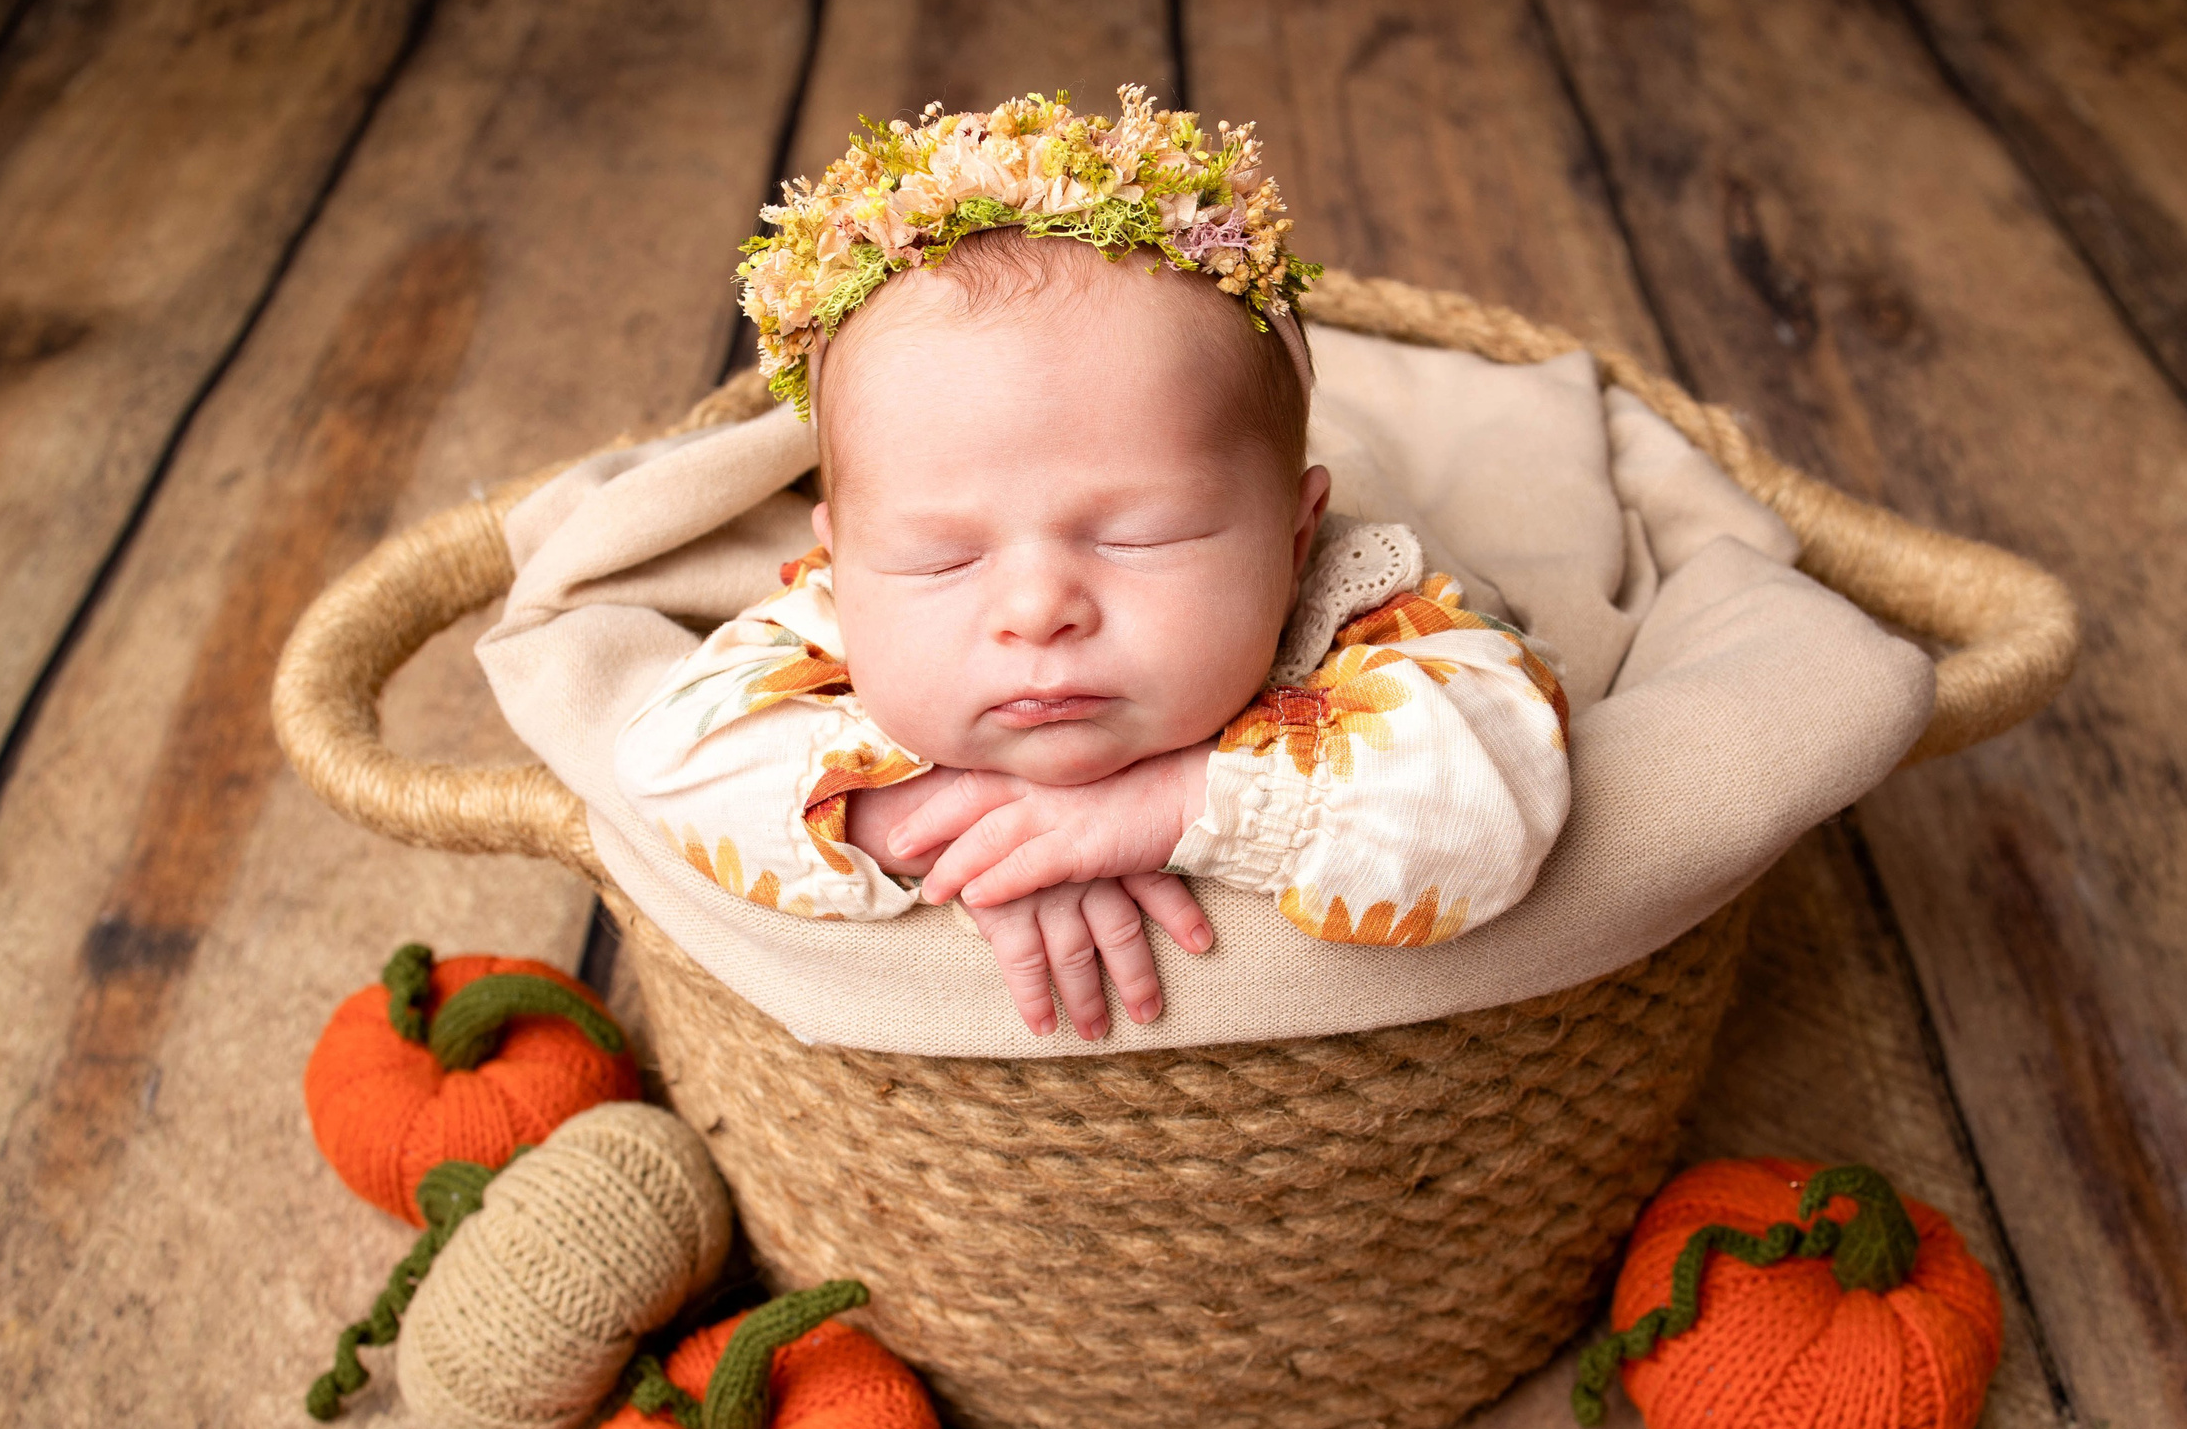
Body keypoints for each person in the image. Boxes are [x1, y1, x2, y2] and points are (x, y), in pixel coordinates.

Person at [613, 88, 1570, 1040]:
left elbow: (1498, 788)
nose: (1037, 609)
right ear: (841, 558)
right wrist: (960, 822)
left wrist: (1177, 803)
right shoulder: (829, 621)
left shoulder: (1352, 615)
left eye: (1138, 537)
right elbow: (666, 761)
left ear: (1295, 539)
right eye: (942, 557)